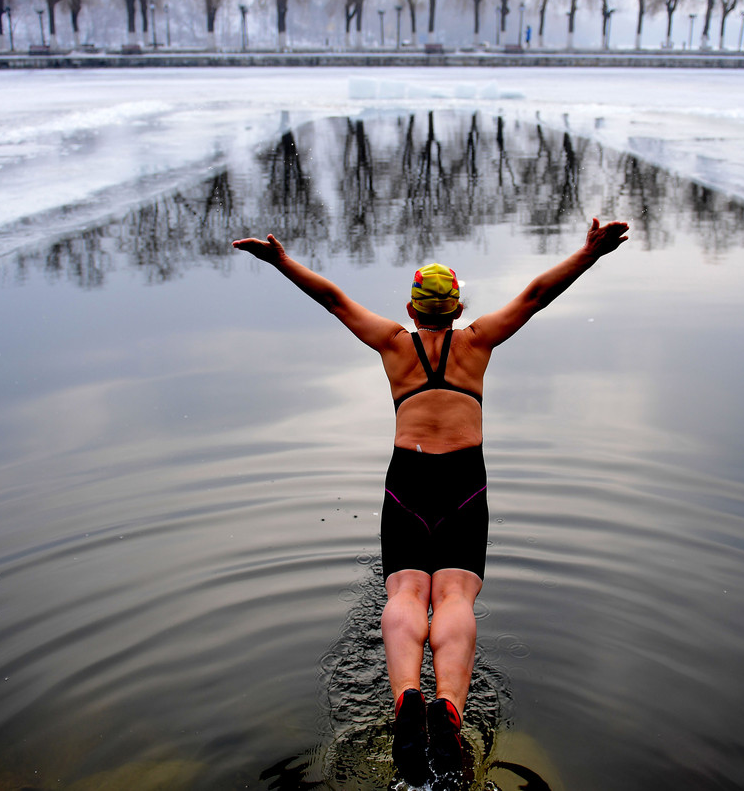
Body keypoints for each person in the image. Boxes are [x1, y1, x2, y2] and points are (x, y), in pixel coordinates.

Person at [232, 218, 629, 788]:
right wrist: (590, 252)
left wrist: (281, 262)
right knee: (455, 594)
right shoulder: (478, 340)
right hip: (466, 480)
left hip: (408, 479)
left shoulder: (395, 344)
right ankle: (448, 707)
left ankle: (406, 700)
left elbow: (333, 299)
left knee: (406, 590)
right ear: (458, 305)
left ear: (414, 311)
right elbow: (538, 295)